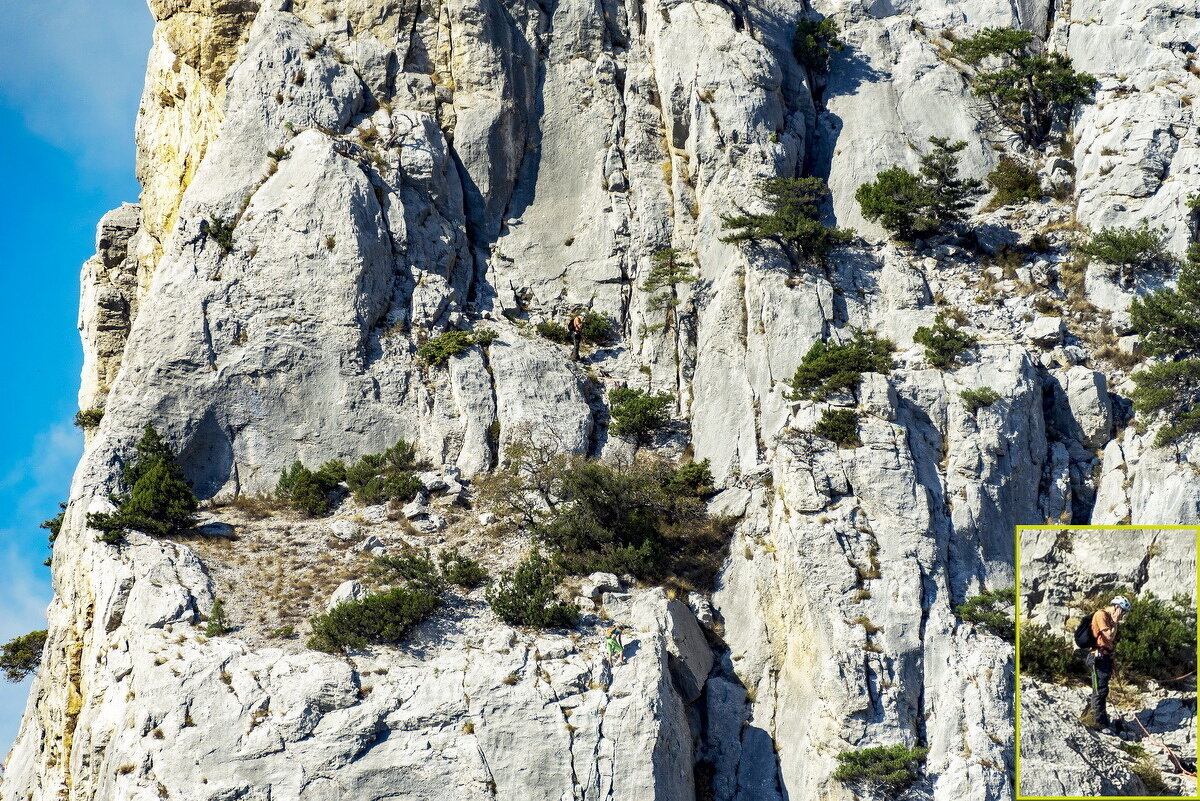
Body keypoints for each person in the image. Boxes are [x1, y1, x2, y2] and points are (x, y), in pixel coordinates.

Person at [1086, 595, 1130, 733]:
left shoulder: (1108, 618)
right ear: (1117, 607)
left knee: (1102, 690)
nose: (1122, 616)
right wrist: (1115, 622)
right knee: (1100, 690)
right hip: (1097, 657)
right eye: (1122, 612)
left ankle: (1098, 719)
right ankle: (1097, 723)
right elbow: (1109, 636)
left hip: (1104, 657)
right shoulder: (1101, 615)